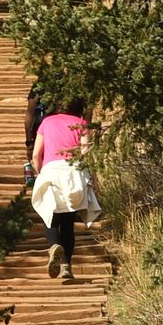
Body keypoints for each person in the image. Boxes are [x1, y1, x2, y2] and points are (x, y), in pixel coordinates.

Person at [30, 99, 97, 282]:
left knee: (48, 215)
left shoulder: (46, 122)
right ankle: (66, 266)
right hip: (74, 172)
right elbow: (85, 152)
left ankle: (54, 246)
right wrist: (92, 177)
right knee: (68, 222)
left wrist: (39, 171)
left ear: (58, 107)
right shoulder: (81, 123)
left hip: (51, 171)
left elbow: (36, 154)